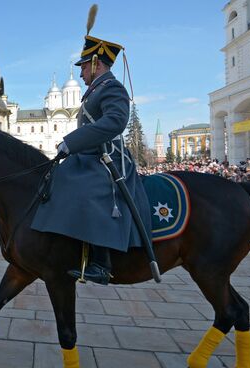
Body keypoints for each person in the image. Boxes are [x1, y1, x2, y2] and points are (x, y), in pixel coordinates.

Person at [31, 20, 151, 285]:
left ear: (96, 64)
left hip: (109, 158)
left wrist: (71, 142)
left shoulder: (112, 89)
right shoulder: (95, 91)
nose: (82, 73)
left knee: (87, 190)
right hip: (91, 155)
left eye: (84, 66)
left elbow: (114, 122)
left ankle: (102, 263)